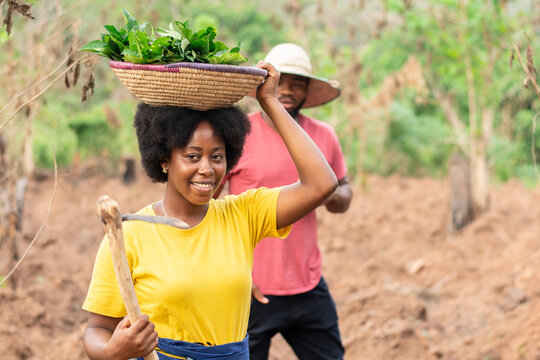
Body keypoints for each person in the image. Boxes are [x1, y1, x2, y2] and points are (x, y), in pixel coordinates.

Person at [81, 61, 338, 360]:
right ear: (164, 159)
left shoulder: (243, 215)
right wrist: (112, 351)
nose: (207, 169)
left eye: (217, 156)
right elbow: (96, 329)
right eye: (192, 156)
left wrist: (269, 101)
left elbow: (321, 184)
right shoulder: (130, 235)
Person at [218, 43, 352, 360]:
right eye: (282, 81)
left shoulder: (324, 136)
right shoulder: (238, 133)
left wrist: (326, 191)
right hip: (248, 289)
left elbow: (344, 191)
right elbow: (206, 206)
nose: (289, 89)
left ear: (308, 89)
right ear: (265, 84)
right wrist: (230, 270)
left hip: (308, 284)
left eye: (299, 82)